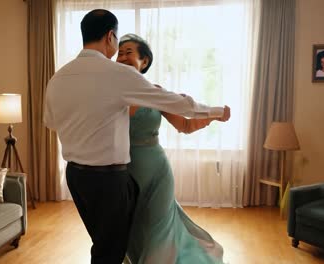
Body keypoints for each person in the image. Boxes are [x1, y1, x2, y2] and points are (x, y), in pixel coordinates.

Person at [43, 9, 230, 264]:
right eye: (120, 46)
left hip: (77, 177)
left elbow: (51, 122)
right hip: (111, 177)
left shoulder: (58, 78)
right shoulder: (116, 76)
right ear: (110, 37)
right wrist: (217, 111)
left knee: (106, 242)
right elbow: (181, 104)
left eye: (129, 52)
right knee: (111, 248)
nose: (121, 52)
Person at [117, 34, 224, 264]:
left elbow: (185, 124)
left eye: (128, 52)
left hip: (156, 172)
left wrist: (213, 116)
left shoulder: (155, 92)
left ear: (144, 61)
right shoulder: (112, 94)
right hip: (123, 170)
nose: (122, 57)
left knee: (158, 225)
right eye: (119, 53)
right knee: (132, 225)